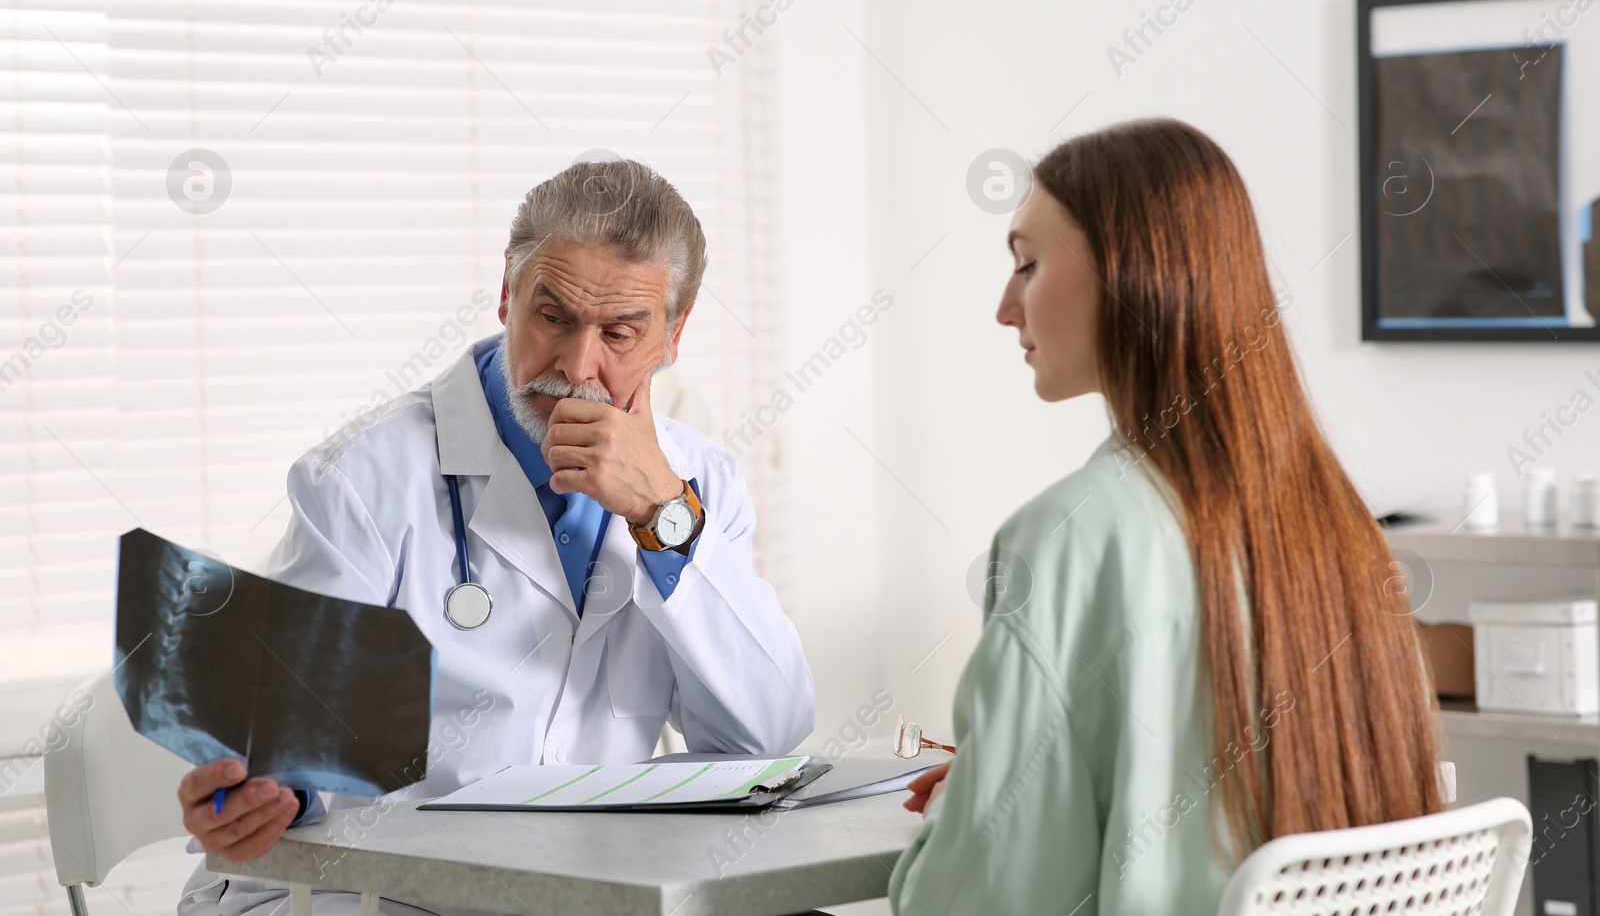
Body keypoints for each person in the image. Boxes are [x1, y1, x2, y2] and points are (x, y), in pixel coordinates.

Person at [176, 158, 814, 914]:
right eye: (554, 317)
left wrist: (663, 516)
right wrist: (263, 787)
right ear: (509, 292)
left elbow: (768, 739)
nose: (579, 366)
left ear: (672, 335)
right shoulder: (365, 479)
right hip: (359, 893)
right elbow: (287, 742)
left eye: (618, 332)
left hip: (575, 895)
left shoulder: (699, 483)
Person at [891, 119, 1442, 915]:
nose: (1006, 306)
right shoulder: (1334, 519)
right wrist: (1010, 784)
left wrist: (966, 813)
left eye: (1028, 263)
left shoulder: (1066, 536)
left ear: (1130, 274)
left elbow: (979, 900)